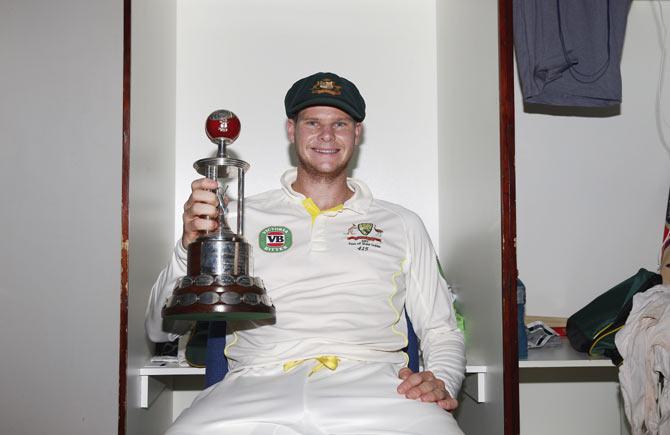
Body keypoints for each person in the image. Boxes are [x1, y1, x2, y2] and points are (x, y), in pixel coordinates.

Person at [146, 72, 466, 435]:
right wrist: (187, 247)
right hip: (254, 385)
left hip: (375, 387)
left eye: (340, 123)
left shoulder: (402, 223)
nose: (326, 135)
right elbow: (160, 330)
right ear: (291, 129)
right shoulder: (233, 217)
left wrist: (441, 380)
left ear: (356, 133)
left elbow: (442, 329)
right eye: (313, 122)